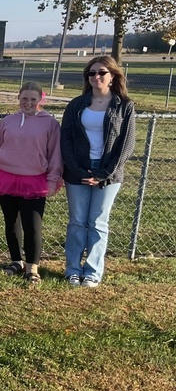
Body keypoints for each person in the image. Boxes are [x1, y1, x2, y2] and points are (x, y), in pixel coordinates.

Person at [60, 55, 136, 287]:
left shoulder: (124, 106)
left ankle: (92, 272)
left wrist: (103, 173)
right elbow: (66, 140)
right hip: (77, 172)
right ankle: (73, 270)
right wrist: (78, 170)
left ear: (112, 76)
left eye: (101, 72)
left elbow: (127, 145)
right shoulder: (76, 105)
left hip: (109, 174)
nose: (96, 77)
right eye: (91, 73)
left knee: (98, 222)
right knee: (77, 222)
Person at [0, 82, 62, 285]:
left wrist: (53, 180)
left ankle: (32, 267)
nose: (28, 103)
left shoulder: (50, 123)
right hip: (6, 176)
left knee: (32, 225)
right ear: (18, 98)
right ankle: (16, 261)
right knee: (11, 221)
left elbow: (55, 154)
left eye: (33, 99)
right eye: (24, 98)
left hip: (35, 180)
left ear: (40, 100)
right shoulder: (8, 121)